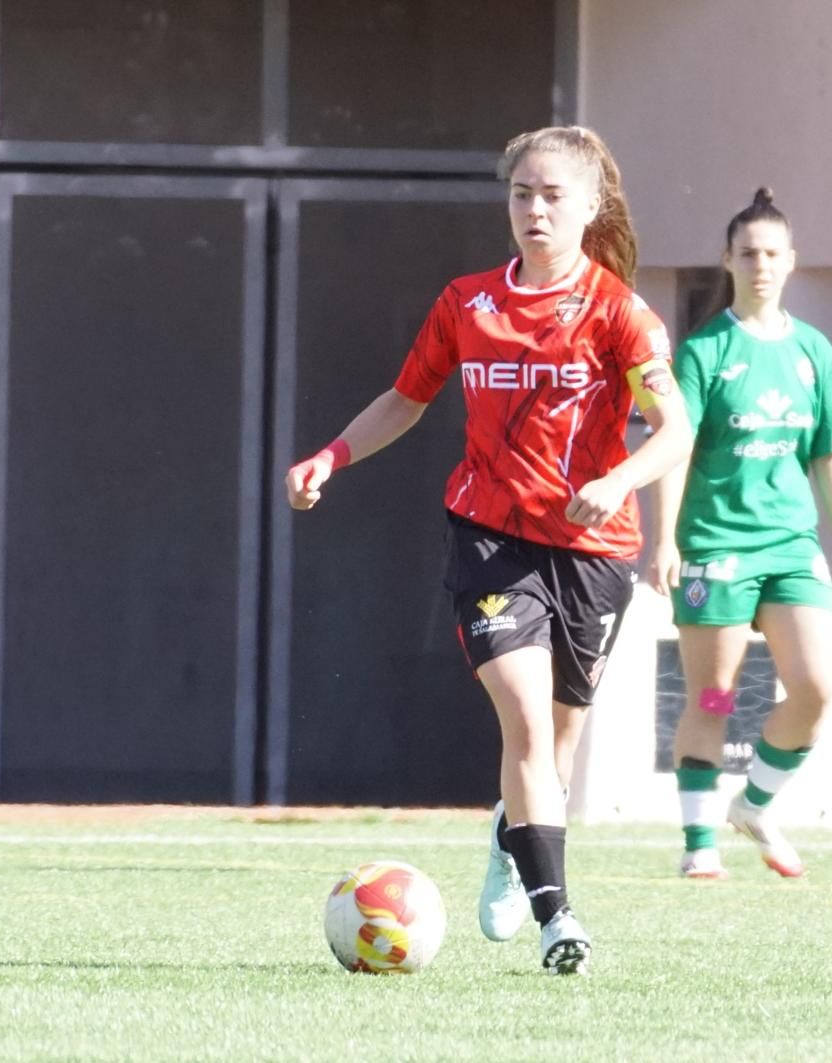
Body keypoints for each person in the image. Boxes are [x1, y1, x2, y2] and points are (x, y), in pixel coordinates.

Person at [286, 126, 692, 972]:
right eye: (521, 194)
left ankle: (511, 837)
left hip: (593, 550)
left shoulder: (620, 313)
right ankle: (560, 921)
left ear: (590, 208)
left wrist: (618, 484)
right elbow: (406, 398)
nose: (534, 209)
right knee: (526, 725)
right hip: (491, 538)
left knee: (558, 745)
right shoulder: (468, 302)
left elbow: (674, 429)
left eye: (552, 196)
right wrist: (331, 455)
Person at [648, 187, 832, 880]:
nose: (761, 264)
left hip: (792, 546)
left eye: (773, 253)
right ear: (728, 261)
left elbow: (830, 449)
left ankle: (755, 804)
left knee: (817, 689)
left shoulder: (814, 351)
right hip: (717, 545)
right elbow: (673, 444)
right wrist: (665, 540)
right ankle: (698, 841)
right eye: (749, 253)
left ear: (792, 262)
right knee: (716, 694)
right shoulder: (705, 351)